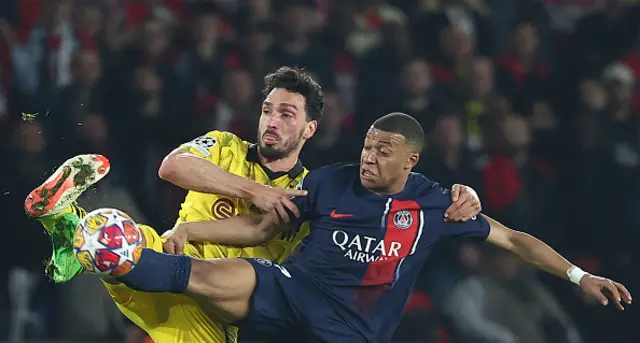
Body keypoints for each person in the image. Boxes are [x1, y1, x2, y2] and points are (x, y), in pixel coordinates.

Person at [73, 112, 632, 343]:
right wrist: (194, 235)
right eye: (366, 144)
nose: (369, 156)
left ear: (410, 160)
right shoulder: (333, 181)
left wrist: (579, 276)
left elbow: (513, 240)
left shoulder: (435, 206)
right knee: (201, 276)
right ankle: (101, 243)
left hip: (350, 332)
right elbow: (268, 225)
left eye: (383, 150)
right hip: (291, 291)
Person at [24, 67, 483, 343]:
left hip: (217, 318)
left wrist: (463, 195)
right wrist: (253, 191)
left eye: (287, 114)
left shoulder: (310, 193)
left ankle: (69, 233)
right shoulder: (224, 146)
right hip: (173, 257)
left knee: (111, 244)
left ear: (309, 130)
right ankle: (71, 231)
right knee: (124, 239)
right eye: (268, 109)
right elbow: (172, 167)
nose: (272, 120)